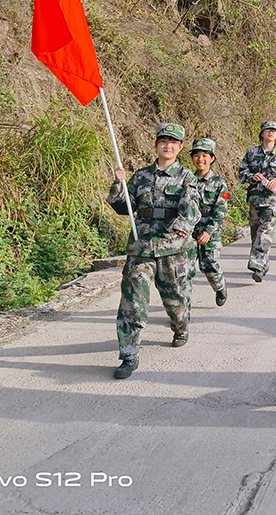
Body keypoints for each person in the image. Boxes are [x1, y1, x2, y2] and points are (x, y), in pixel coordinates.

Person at [108, 122, 201, 379]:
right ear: (156, 145)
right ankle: (129, 354)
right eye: (163, 141)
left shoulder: (186, 177)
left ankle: (180, 327)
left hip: (173, 248)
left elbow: (191, 205)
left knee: (176, 302)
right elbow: (123, 207)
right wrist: (119, 185)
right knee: (133, 297)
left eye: (173, 142)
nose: (167, 145)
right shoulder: (140, 176)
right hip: (142, 247)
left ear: (180, 147)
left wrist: (183, 225)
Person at [238, 120, 276, 282]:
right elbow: (241, 172)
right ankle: (263, 264)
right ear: (262, 133)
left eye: (274, 131)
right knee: (256, 234)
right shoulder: (252, 153)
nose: (270, 132)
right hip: (255, 200)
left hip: (273, 201)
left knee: (265, 233)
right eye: (267, 130)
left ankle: (256, 264)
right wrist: (251, 176)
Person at [188, 137, 228, 307]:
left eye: (205, 155)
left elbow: (220, 211)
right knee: (184, 269)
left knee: (208, 266)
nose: (200, 159)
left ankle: (220, 287)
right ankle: (182, 304)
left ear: (212, 159)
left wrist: (208, 231)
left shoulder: (219, 183)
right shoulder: (187, 179)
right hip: (188, 231)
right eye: (196, 155)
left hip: (210, 232)